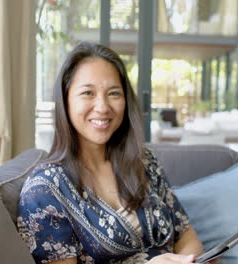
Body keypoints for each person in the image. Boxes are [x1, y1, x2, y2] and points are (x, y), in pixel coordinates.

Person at [17, 42, 215, 264]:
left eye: (113, 93)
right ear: (65, 101)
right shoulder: (44, 190)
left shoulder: (144, 162)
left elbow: (187, 238)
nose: (102, 106)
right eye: (87, 93)